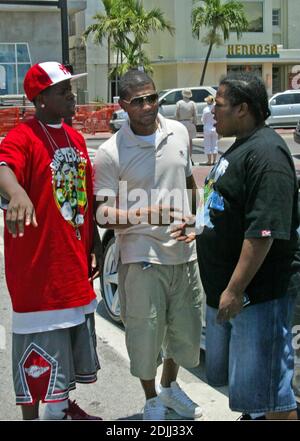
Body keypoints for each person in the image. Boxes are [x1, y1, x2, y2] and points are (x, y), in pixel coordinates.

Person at [172, 73, 300, 420]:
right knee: (255, 395)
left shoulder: (268, 154)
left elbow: (263, 232)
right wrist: (200, 229)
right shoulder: (243, 146)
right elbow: (229, 208)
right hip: (238, 299)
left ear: (243, 109)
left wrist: (234, 288)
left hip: (257, 298)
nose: (210, 110)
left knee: (273, 396)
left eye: (218, 104)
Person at [93, 69, 203, 420]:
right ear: (123, 105)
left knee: (183, 333)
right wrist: (145, 214)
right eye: (138, 100)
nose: (148, 106)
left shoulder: (179, 132)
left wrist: (194, 222)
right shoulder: (111, 152)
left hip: (184, 254)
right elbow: (102, 214)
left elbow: (188, 183)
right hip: (141, 257)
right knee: (144, 335)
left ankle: (170, 388)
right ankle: (151, 397)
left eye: (152, 97)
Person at [0, 61, 103, 420]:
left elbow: (84, 196)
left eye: (70, 88)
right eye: (63, 90)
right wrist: (16, 194)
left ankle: (59, 408)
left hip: (72, 262)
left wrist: (95, 243)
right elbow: (3, 167)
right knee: (36, 357)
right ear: (40, 99)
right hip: (38, 269)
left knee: (67, 349)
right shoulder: (23, 136)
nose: (71, 95)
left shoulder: (75, 138)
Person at [175, 88, 197, 160]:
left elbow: (176, 114)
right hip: (189, 122)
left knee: (181, 141)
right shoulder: (192, 103)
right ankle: (190, 157)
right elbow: (195, 115)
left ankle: (183, 157)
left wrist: (177, 122)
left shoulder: (179, 103)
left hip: (181, 122)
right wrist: (194, 123)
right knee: (190, 141)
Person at [201, 95, 218, 165]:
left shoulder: (205, 109)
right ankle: (214, 160)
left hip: (207, 127)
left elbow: (203, 120)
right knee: (215, 144)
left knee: (208, 144)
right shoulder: (216, 108)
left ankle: (209, 160)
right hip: (215, 127)